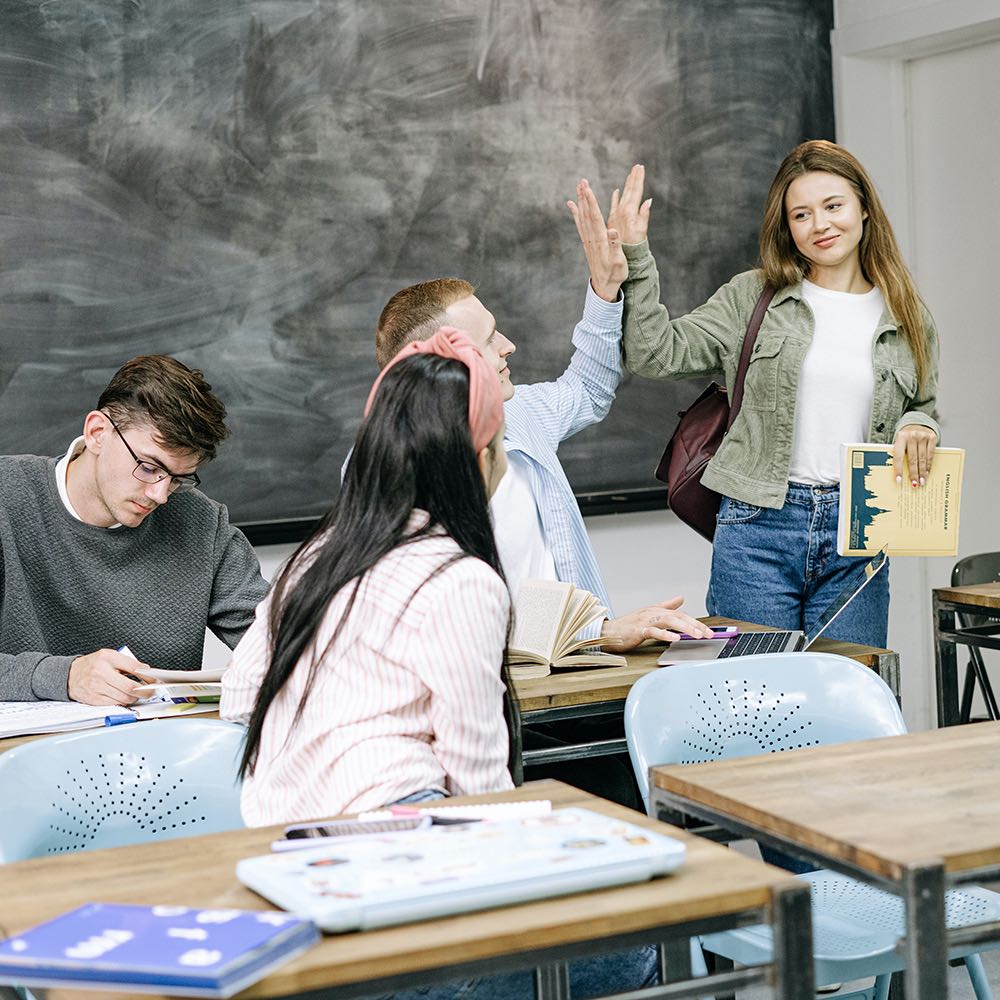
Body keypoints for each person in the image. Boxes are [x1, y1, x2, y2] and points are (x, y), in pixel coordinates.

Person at [220, 328, 657, 999]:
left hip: (291, 865)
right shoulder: (459, 580)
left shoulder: (317, 555)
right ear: (478, 458)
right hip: (404, 865)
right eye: (504, 442)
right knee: (642, 945)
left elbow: (239, 694)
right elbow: (481, 787)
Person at [611, 142, 939, 650]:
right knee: (753, 703)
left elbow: (923, 403)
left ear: (864, 207)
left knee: (848, 694)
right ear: (787, 227)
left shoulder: (906, 314)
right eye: (801, 214)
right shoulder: (753, 295)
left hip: (860, 533)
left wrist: (920, 425)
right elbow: (654, 353)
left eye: (833, 206)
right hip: (759, 525)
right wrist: (635, 256)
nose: (820, 225)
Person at [374, 178, 712, 651]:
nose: (508, 345)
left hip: (575, 673)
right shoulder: (385, 470)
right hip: (491, 690)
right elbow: (446, 627)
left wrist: (605, 288)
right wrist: (599, 632)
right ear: (442, 360)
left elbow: (587, 390)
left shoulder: (519, 413)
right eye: (488, 338)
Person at [0, 355, 268, 705]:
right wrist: (65, 677)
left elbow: (284, 641)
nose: (160, 495)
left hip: (157, 751)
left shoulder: (204, 525)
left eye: (178, 479)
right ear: (97, 433)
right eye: (148, 467)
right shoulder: (7, 496)